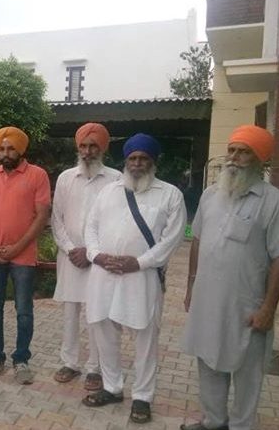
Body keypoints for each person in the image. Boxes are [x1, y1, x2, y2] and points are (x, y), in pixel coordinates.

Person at [180, 126, 279, 430]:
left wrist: (268, 309)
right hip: (208, 300)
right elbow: (197, 239)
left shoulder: (273, 200)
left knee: (248, 374)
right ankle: (213, 422)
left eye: (244, 152)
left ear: (260, 159)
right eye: (232, 150)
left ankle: (241, 426)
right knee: (208, 361)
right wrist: (191, 286)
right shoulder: (211, 195)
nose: (234, 158)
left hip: (247, 305)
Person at [81, 133, 186, 425]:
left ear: (153, 161)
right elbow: (91, 227)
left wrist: (138, 262)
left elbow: (171, 240)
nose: (137, 163)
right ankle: (112, 387)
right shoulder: (109, 191)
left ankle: (142, 396)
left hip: (142, 277)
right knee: (103, 330)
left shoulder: (170, 195)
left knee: (145, 337)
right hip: (104, 274)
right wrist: (96, 255)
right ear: (125, 161)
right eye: (132, 158)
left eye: (143, 158)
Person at [0, 126, 51, 384]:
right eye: (1, 149)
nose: (5, 153)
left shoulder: (38, 175)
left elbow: (42, 216)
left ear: (21, 150)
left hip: (23, 257)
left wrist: (17, 247)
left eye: (10, 149)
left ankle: (21, 360)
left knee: (24, 311)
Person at [51, 123, 120, 391]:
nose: (88, 151)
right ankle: (69, 362)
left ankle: (95, 368)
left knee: (97, 315)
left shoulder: (115, 179)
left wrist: (91, 253)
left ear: (103, 148)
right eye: (83, 146)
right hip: (70, 257)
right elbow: (57, 219)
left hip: (98, 260)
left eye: (93, 146)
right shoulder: (65, 178)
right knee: (70, 313)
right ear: (77, 148)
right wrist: (71, 249)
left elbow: (116, 223)